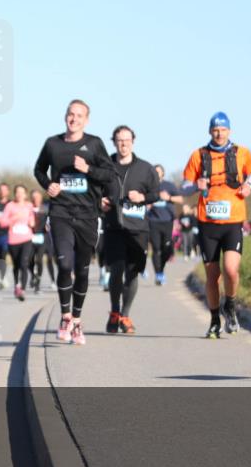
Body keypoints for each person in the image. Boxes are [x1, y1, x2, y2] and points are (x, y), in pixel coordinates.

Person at [34, 99, 117, 345]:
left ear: (86, 120)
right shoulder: (52, 144)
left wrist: (89, 169)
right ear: (65, 116)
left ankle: (78, 320)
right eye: (71, 114)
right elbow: (39, 169)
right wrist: (48, 184)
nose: (74, 119)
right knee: (64, 264)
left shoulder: (94, 144)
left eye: (79, 115)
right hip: (60, 212)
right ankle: (65, 316)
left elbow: (110, 174)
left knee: (81, 270)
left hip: (88, 215)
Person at [181, 111, 251, 339]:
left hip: (233, 220)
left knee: (231, 270)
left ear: (229, 131)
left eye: (223, 129)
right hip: (207, 223)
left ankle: (230, 305)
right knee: (212, 276)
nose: (219, 133)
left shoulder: (241, 152)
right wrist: (196, 184)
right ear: (209, 131)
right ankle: (214, 320)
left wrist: (248, 186)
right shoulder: (198, 155)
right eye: (215, 129)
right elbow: (184, 186)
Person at [100, 126, 160, 335]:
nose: (123, 144)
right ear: (114, 142)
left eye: (127, 140)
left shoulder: (145, 168)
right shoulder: (105, 166)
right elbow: (94, 190)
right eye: (119, 140)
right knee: (116, 271)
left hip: (138, 230)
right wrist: (100, 202)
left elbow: (156, 194)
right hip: (114, 226)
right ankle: (115, 312)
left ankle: (125, 314)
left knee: (132, 273)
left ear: (133, 141)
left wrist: (143, 198)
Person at [0, 184, 36, 301]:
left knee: (24, 263)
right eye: (17, 192)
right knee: (16, 265)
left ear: (25, 194)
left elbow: (32, 219)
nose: (19, 194)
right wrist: (14, 218)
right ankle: (17, 285)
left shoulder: (29, 206)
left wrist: (32, 222)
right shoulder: (10, 206)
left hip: (27, 239)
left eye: (22, 192)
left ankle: (22, 290)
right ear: (15, 194)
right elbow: (3, 222)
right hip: (13, 240)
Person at [148, 164, 182, 285]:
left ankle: (161, 270)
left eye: (159, 172)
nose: (156, 174)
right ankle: (158, 274)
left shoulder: (169, 185)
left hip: (167, 221)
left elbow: (180, 199)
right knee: (156, 249)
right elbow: (142, 200)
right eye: (154, 171)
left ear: (163, 173)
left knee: (166, 249)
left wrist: (169, 197)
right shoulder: (149, 185)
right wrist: (148, 204)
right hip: (153, 221)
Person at [30, 189, 56, 293]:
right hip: (31, 237)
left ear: (41, 198)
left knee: (47, 259)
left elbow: (51, 220)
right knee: (31, 261)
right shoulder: (29, 209)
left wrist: (48, 225)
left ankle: (52, 281)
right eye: (34, 197)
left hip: (44, 237)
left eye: (38, 197)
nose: (36, 199)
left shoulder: (45, 209)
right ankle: (34, 278)